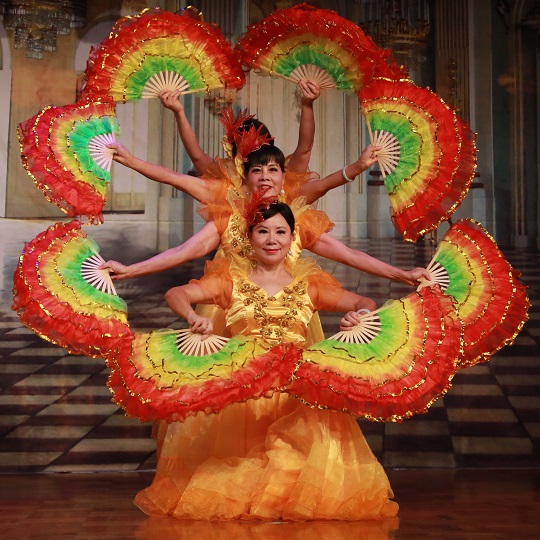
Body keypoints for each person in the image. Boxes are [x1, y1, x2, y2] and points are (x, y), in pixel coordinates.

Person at [131, 201, 399, 521]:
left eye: (280, 232)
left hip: (298, 392)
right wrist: (191, 317)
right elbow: (177, 293)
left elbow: (362, 301)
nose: (272, 239)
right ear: (250, 237)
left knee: (309, 465)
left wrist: (361, 314)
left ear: (290, 238)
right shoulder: (230, 282)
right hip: (243, 395)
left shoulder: (309, 285)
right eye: (263, 231)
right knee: (236, 470)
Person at [158, 79, 321, 176]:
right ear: (234, 153)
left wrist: (307, 105)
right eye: (247, 150)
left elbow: (304, 149)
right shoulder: (228, 181)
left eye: (259, 147)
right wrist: (179, 111)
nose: (254, 155)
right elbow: (197, 157)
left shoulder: (282, 175)